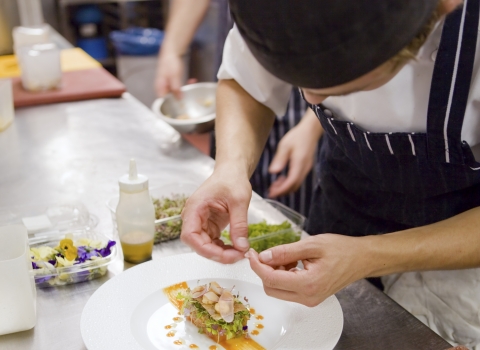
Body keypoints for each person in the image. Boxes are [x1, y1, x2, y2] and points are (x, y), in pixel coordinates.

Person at [180, 0, 480, 347]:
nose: (310, 98)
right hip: (345, 206)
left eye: (339, 87)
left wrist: (369, 256)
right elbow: (248, 80)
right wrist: (231, 167)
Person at [155, 0, 322, 217]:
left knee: (289, 217)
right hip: (239, 98)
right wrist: (229, 168)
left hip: (306, 112)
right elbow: (244, 77)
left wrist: (314, 123)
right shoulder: (248, 35)